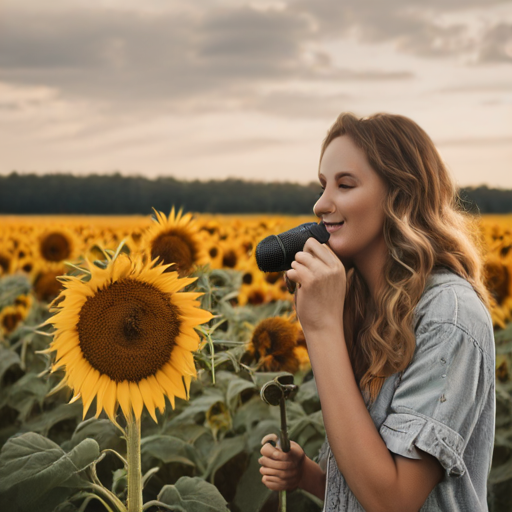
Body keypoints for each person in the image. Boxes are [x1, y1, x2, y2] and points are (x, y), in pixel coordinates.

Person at [258, 112, 496, 511]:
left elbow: (395, 501)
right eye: (322, 186)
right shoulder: (364, 306)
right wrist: (310, 477)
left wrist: (321, 328)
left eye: (345, 185)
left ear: (400, 197)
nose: (320, 204)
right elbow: (366, 486)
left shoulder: (448, 318)